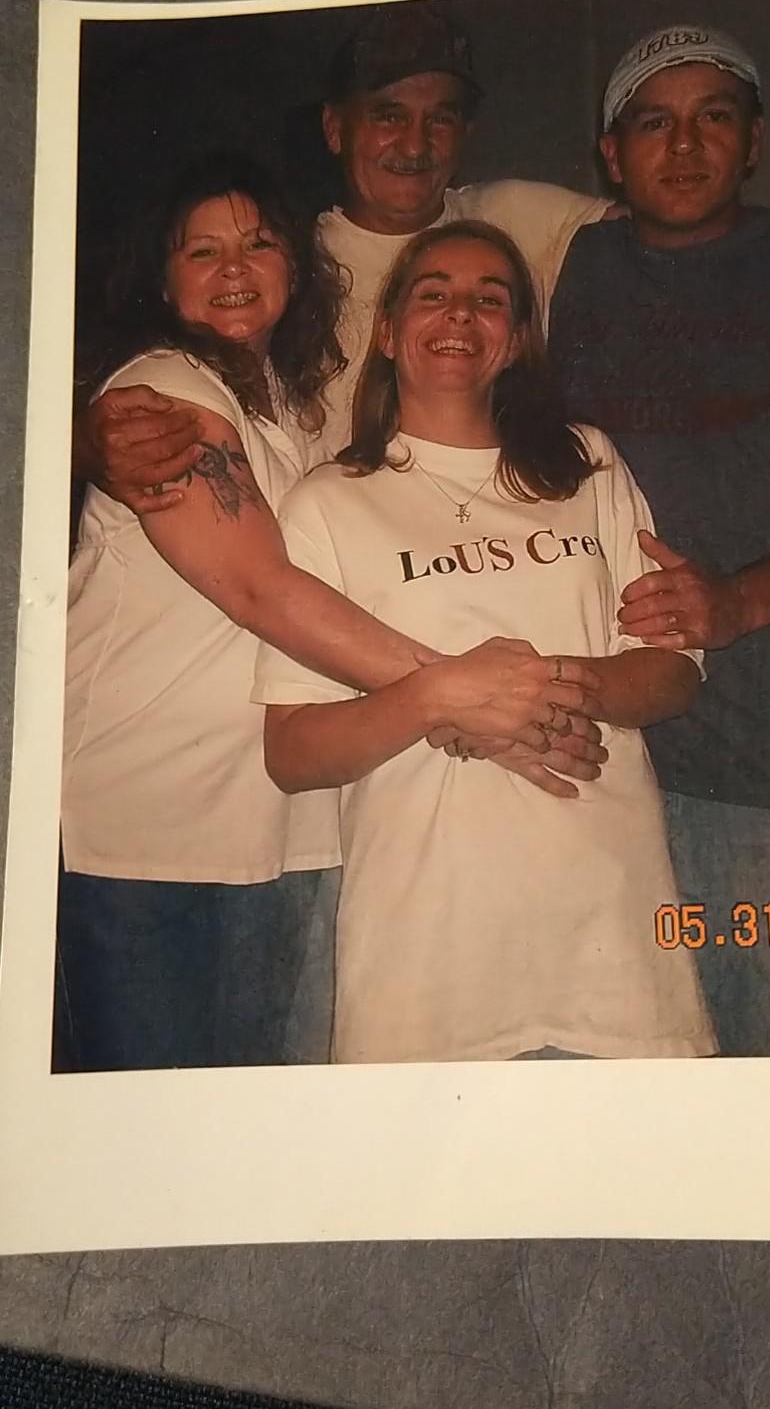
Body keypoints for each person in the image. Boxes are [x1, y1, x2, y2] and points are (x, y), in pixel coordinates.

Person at [59, 159, 599, 1072]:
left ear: (295, 265)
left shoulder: (297, 408)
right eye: (202, 251)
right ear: (163, 279)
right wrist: (466, 698)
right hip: (145, 827)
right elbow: (260, 589)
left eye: (259, 243)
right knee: (151, 1124)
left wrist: (464, 702)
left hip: (281, 824)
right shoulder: (164, 391)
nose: (235, 267)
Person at [253, 222, 716, 1067]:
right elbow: (292, 752)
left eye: (490, 298)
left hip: (610, 933)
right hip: (427, 950)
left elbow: (675, 672)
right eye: (433, 293)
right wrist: (437, 697)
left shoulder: (588, 465)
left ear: (518, 339)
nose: (460, 313)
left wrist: (545, 689)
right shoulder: (328, 503)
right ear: (387, 330)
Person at [548, 24, 770, 1057]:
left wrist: (744, 599)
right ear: (611, 154)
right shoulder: (573, 264)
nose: (682, 146)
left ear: (755, 140)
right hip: (597, 762)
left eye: (713, 117)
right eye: (654, 123)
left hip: (762, 762)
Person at [75, 1, 615, 514]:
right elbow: (150, 373)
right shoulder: (282, 265)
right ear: (335, 128)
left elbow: (656, 221)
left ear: (466, 133)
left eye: (440, 119)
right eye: (388, 116)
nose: (414, 145)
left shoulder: (516, 216)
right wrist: (88, 444)